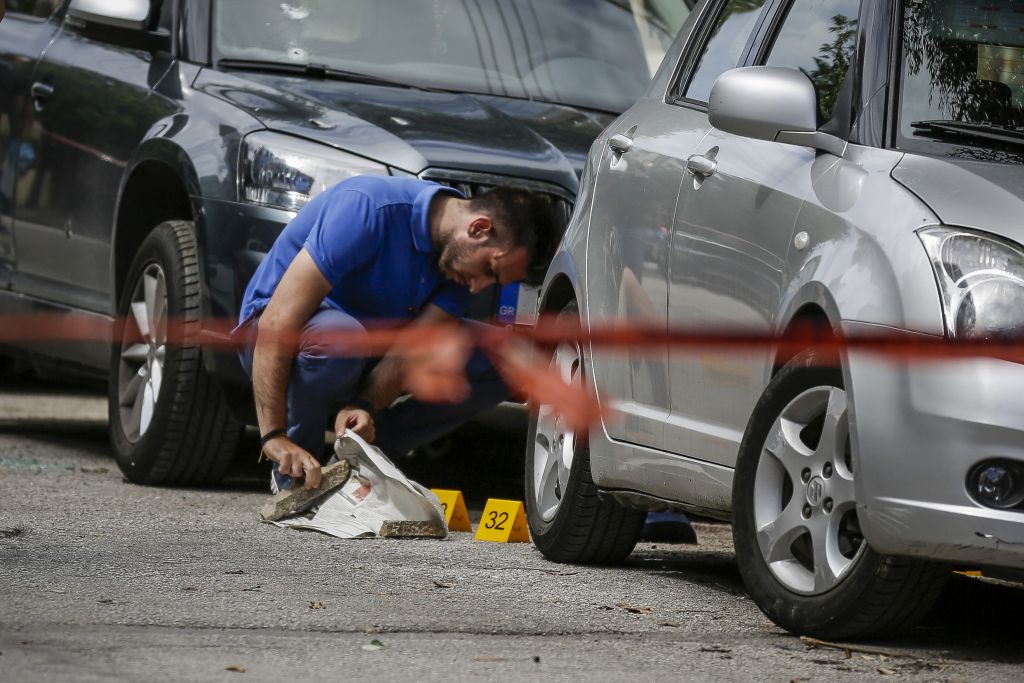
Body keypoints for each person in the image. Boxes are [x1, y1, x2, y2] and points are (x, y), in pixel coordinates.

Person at [234, 175, 558, 496]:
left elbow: (412, 350)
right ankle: (295, 470)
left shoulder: (458, 264)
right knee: (339, 337)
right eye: (490, 269)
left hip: (365, 346)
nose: (478, 287)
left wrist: (364, 407)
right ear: (478, 228)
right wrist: (273, 435)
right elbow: (277, 322)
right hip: (277, 339)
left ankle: (363, 459)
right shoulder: (369, 208)